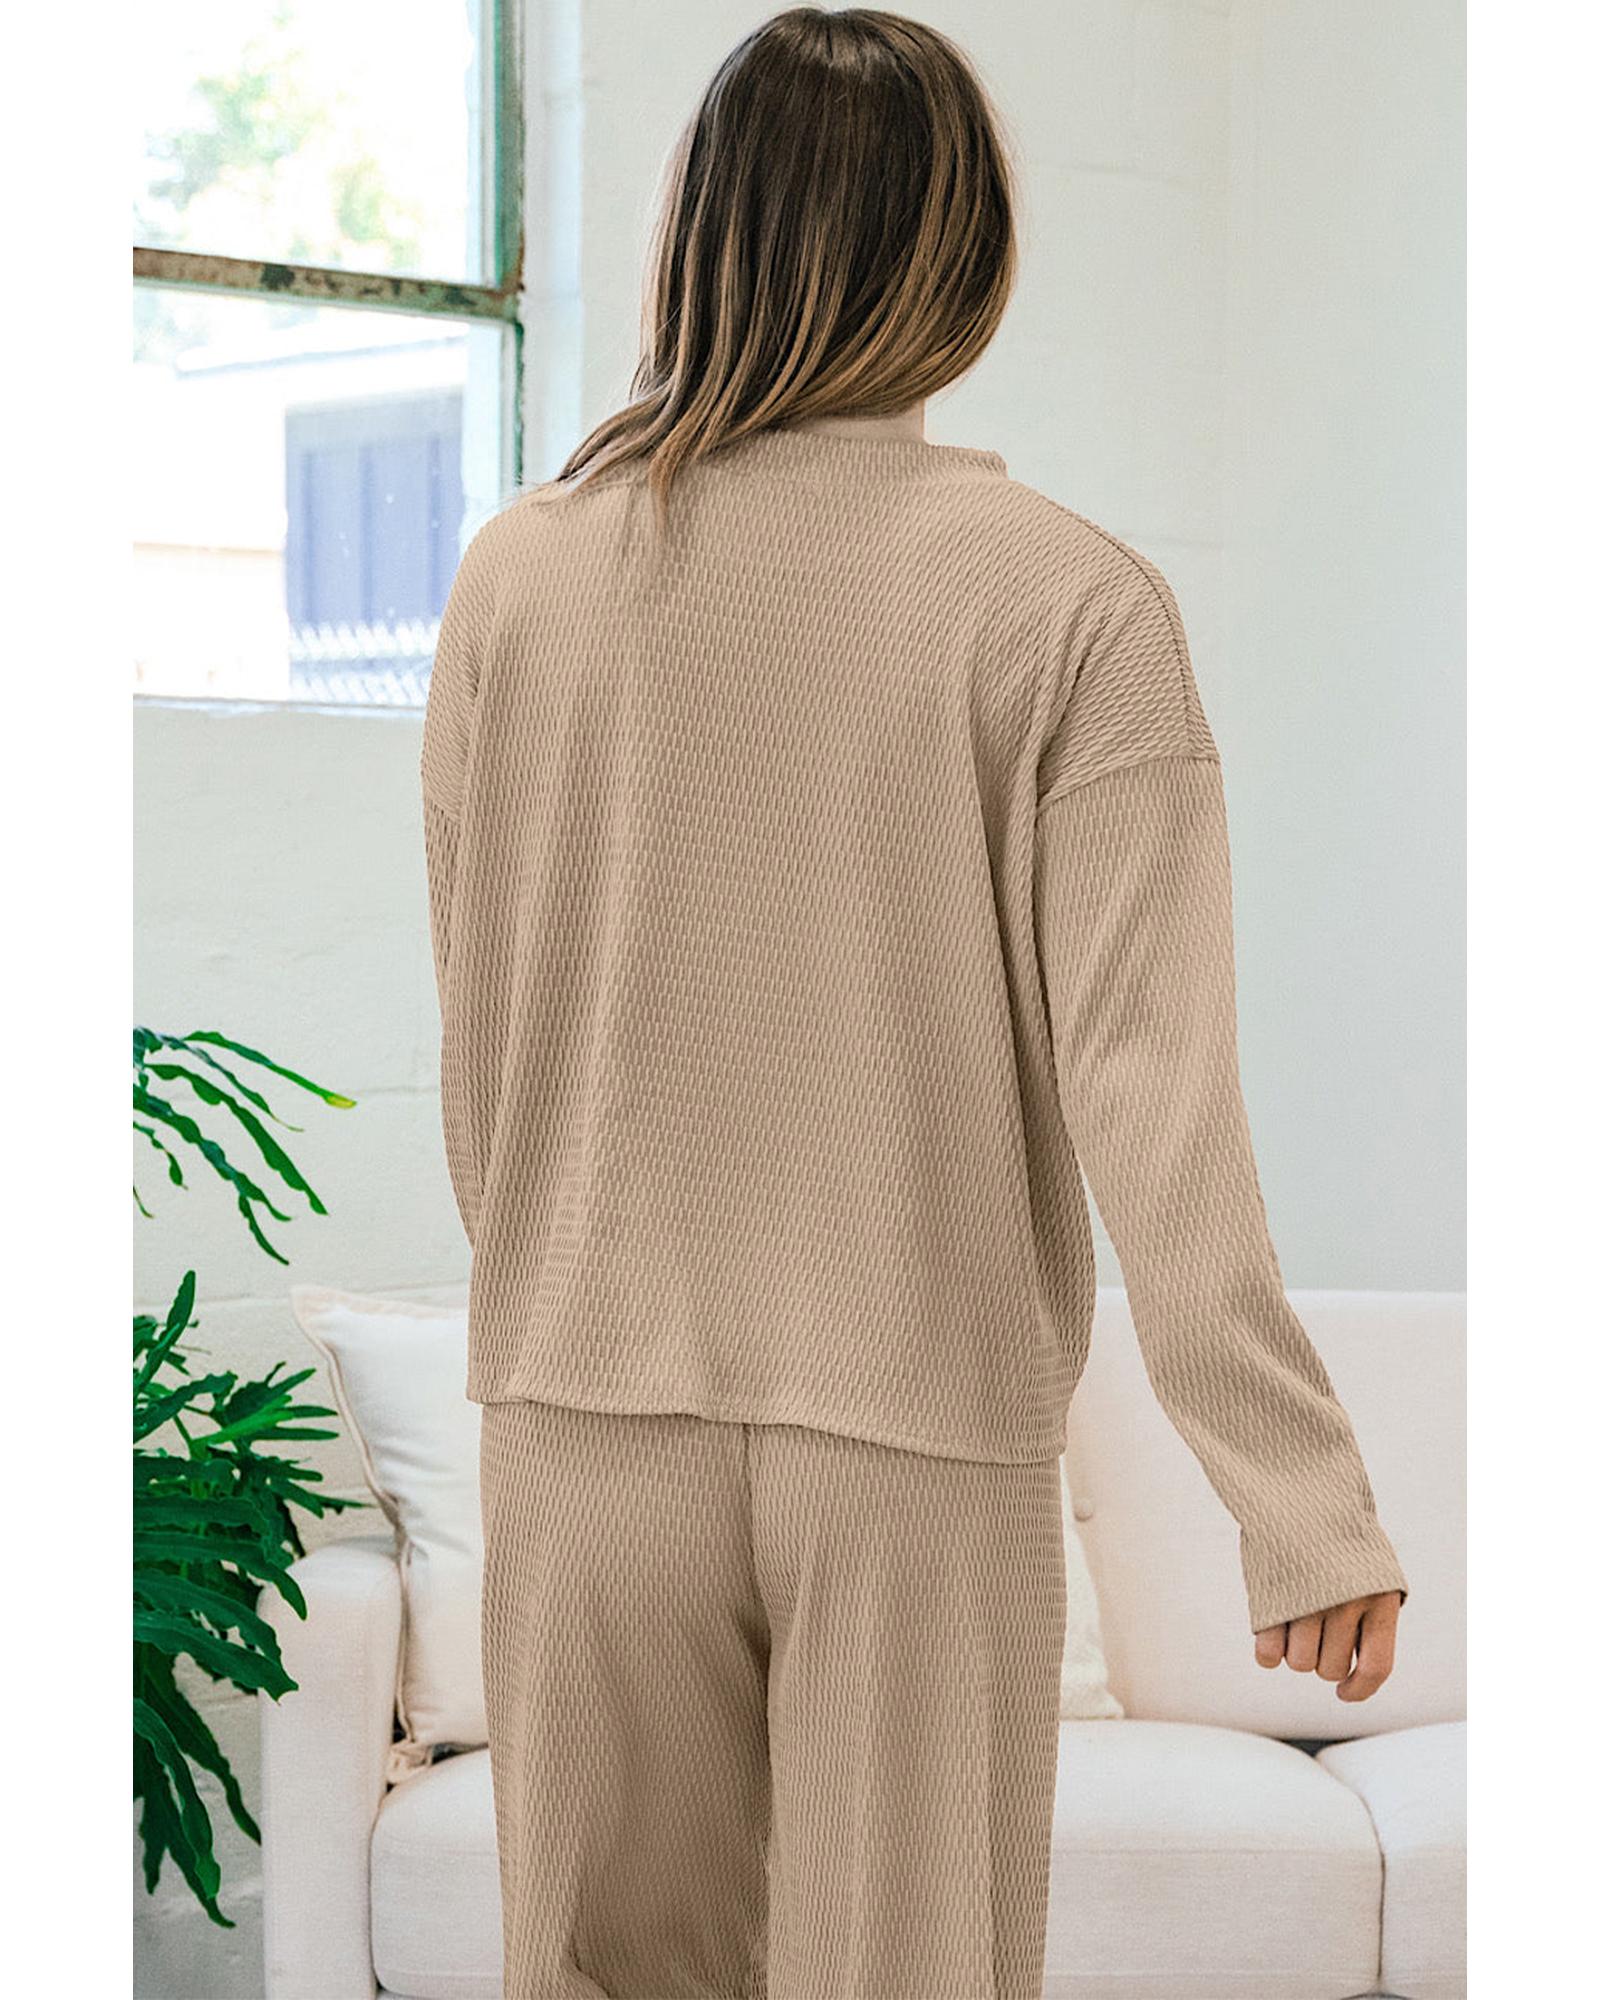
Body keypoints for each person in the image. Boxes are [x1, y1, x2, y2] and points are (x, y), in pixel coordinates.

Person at [420, 9, 1409, 1997]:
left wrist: (565, 1310)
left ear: (694, 237)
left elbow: (490, 1028)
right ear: (966, 255)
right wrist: (1296, 1501)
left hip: (585, 1412)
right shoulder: (1069, 603)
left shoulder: (518, 579)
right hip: (916, 1433)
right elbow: (1152, 1095)